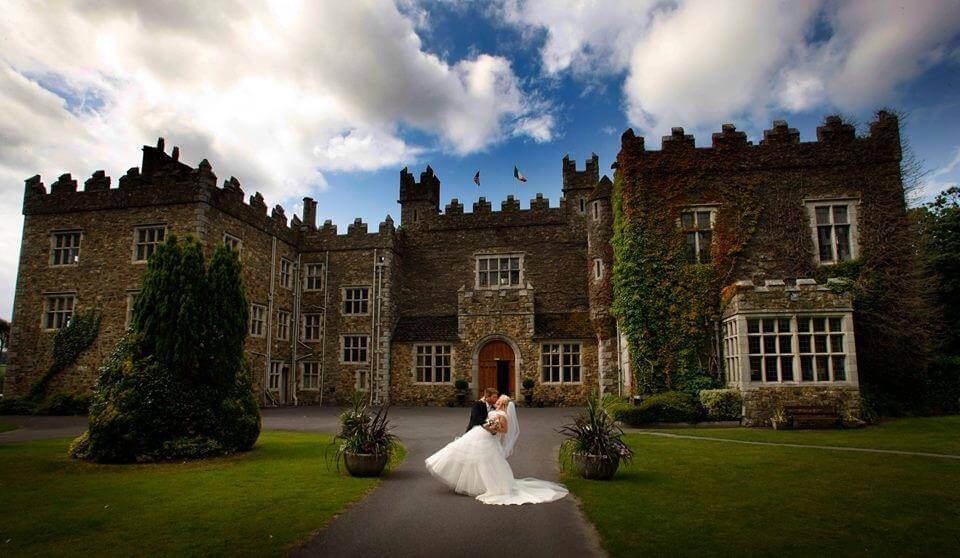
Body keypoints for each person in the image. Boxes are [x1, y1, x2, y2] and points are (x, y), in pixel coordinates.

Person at [425, 394, 568, 506]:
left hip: (489, 439)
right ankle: (471, 484)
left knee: (485, 462)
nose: (497, 403)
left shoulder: (503, 415)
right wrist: (487, 419)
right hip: (479, 435)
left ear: (504, 405)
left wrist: (494, 428)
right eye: (497, 401)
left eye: (499, 402)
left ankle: (486, 486)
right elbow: (484, 409)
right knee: (465, 455)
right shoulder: (493, 410)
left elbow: (504, 430)